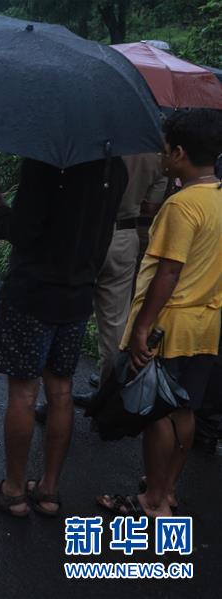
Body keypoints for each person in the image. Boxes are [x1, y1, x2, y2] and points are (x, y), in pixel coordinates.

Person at [0, 156, 128, 517]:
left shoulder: (48, 164)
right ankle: (49, 492)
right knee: (61, 391)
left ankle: (14, 491)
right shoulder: (114, 168)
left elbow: (23, 231)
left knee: (24, 393)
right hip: (77, 294)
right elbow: (102, 238)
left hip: (33, 294)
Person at [97, 109, 222, 517]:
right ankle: (166, 490)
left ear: (181, 153)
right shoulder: (218, 197)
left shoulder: (182, 205)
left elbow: (168, 272)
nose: (162, 157)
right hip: (206, 326)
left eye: (166, 150)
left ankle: (151, 502)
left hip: (170, 325)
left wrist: (142, 327)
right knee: (184, 407)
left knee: (156, 412)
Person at [75, 153, 167, 405]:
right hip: (125, 236)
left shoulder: (99, 138)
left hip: (86, 231)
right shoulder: (155, 151)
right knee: (116, 325)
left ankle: (57, 394)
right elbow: (151, 206)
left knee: (69, 314)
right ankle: (105, 399)